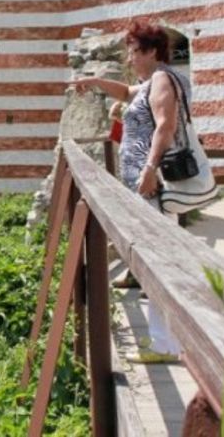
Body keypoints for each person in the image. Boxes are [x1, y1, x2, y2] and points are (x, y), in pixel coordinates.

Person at [73, 19, 187, 361]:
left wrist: (150, 168)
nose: (130, 58)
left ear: (153, 51)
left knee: (158, 259)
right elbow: (125, 93)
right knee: (155, 257)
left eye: (135, 51)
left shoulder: (164, 79)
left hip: (154, 183)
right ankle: (164, 339)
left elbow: (166, 125)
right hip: (145, 184)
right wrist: (94, 81)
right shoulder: (153, 81)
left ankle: (165, 344)